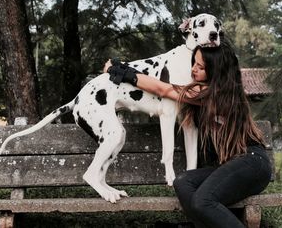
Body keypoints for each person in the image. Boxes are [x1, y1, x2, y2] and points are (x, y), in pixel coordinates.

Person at [104, 44, 272, 228]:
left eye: (201, 67)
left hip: (252, 163)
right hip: (232, 167)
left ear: (216, 70)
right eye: (194, 63)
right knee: (183, 182)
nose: (193, 69)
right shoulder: (201, 91)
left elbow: (164, 90)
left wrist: (118, 71)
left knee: (203, 200)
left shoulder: (216, 93)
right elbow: (160, 84)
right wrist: (122, 69)